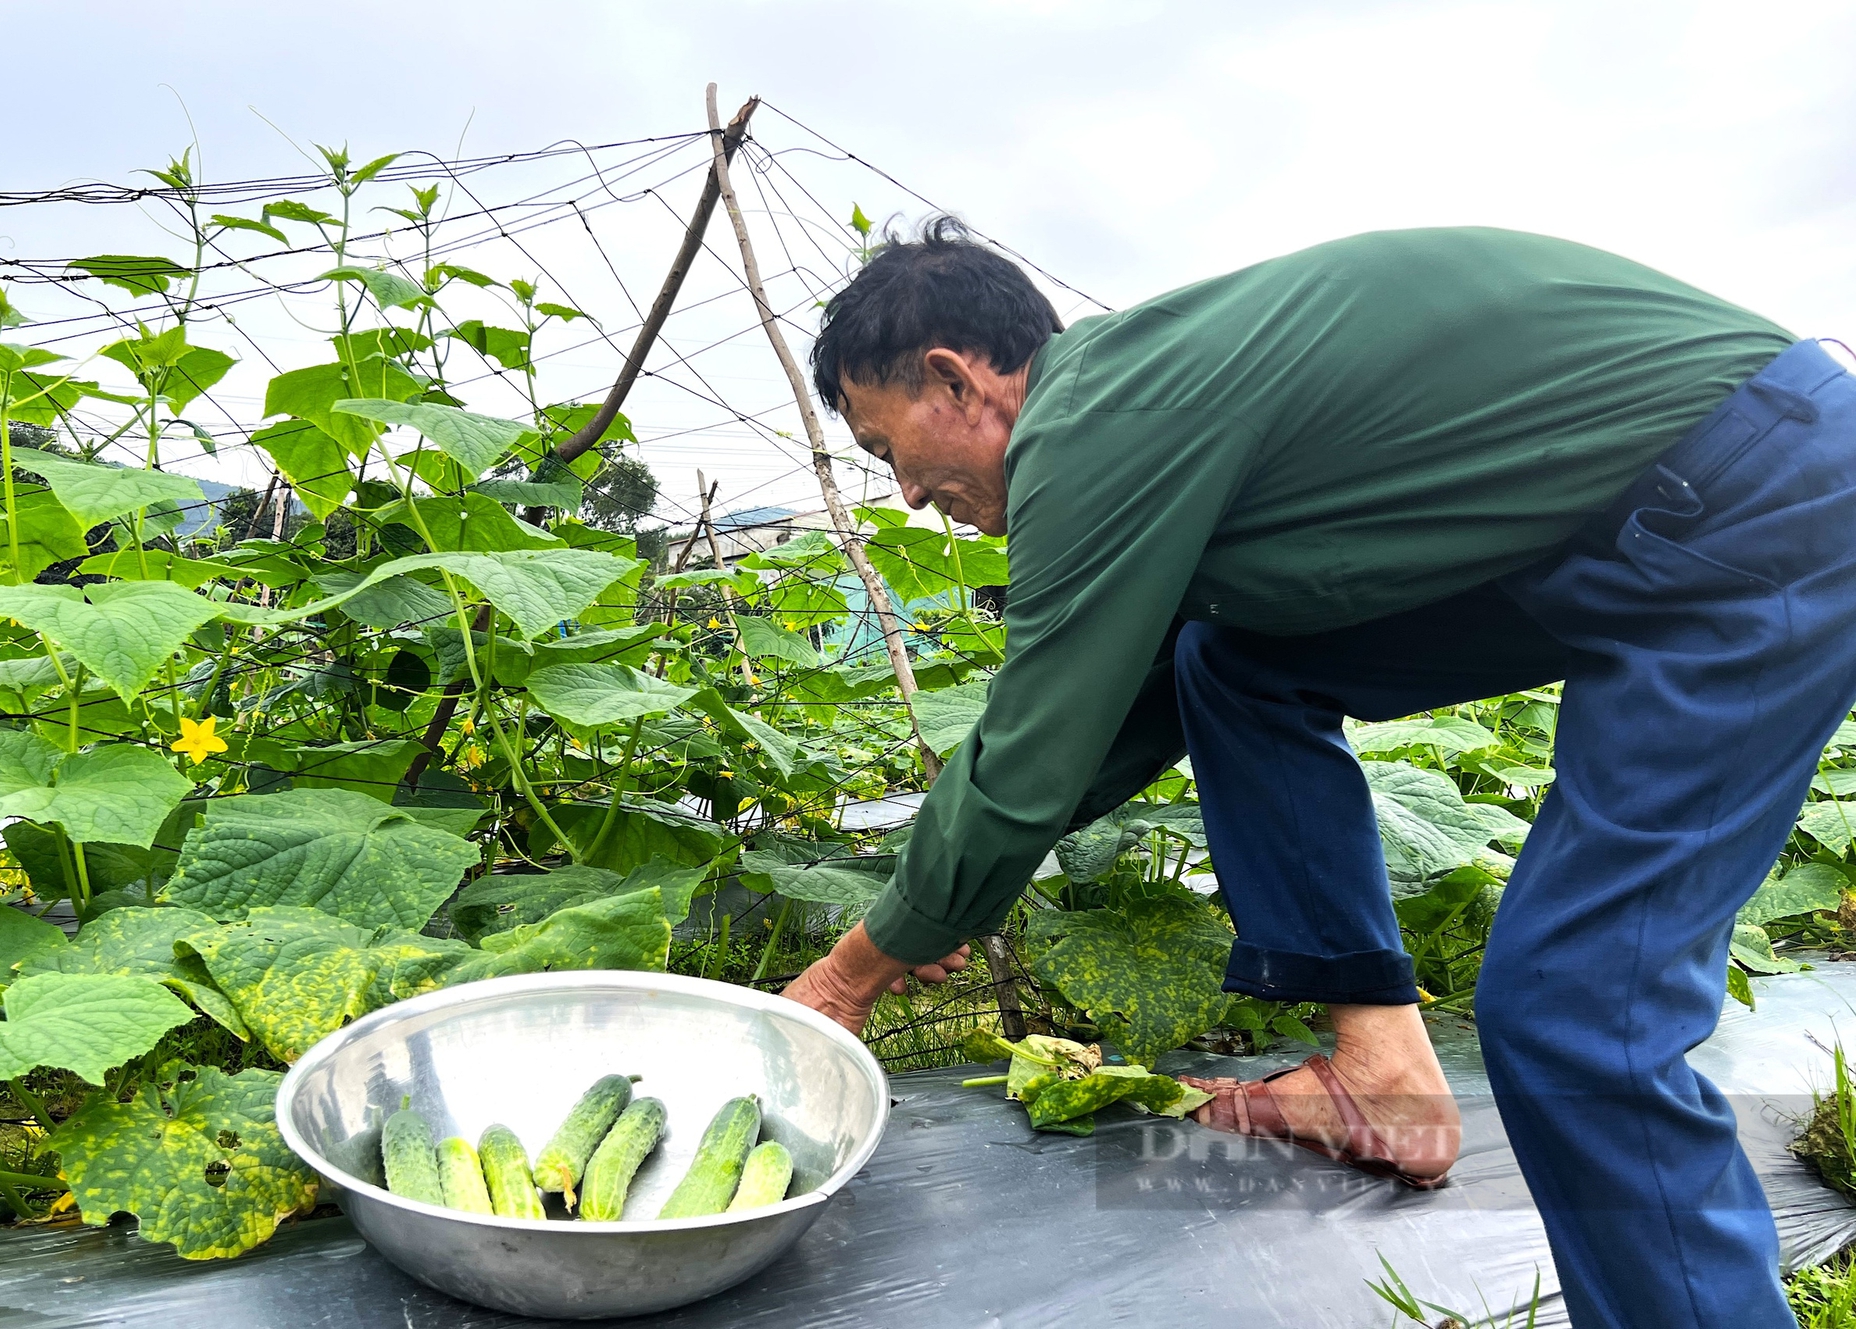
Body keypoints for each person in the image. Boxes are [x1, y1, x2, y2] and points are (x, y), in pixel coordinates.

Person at [779, 217, 1855, 1329]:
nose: (903, 494)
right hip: (1618, 526)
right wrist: (943, 899)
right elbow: (1110, 723)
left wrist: (846, 976)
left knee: (1577, 1009)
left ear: (954, 382)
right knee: (1232, 658)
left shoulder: (1094, 423)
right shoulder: (1133, 401)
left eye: (880, 444)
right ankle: (1378, 1066)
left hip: (1750, 505)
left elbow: (1027, 755)